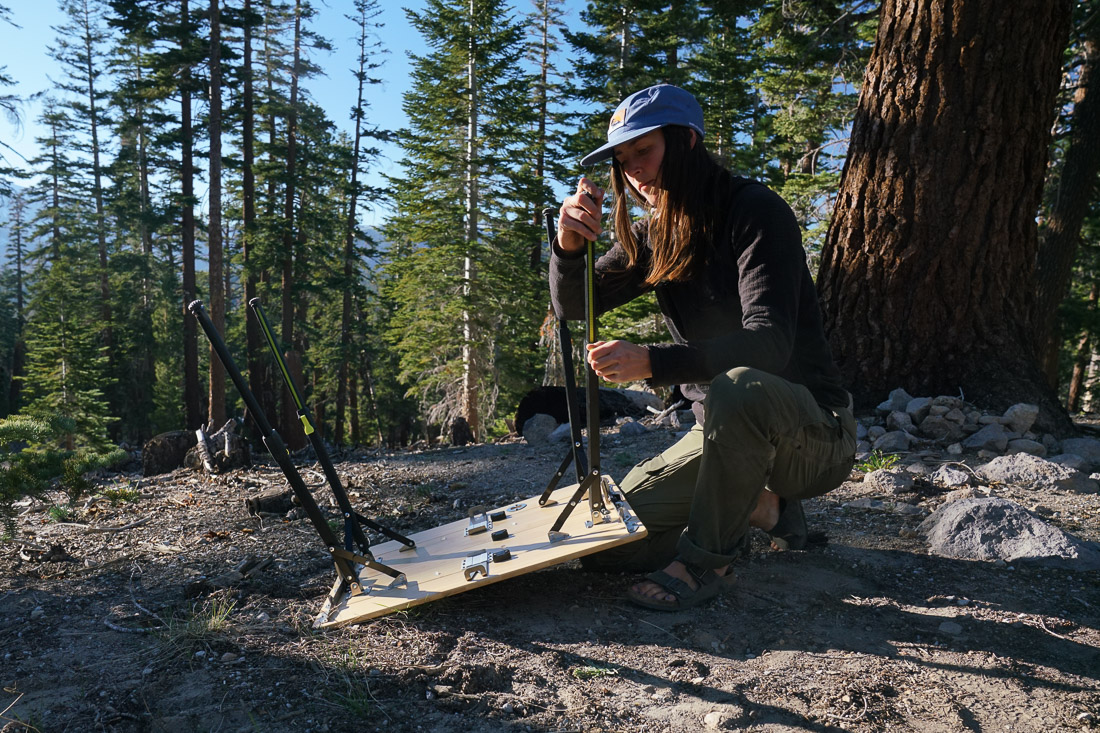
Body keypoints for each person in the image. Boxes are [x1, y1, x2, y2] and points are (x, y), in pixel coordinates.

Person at [550, 84, 857, 611]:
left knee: (738, 389)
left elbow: (769, 342)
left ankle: (706, 562)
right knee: (606, 548)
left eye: (643, 151)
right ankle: (765, 509)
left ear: (687, 141)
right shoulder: (656, 234)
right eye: (622, 161)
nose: (633, 171)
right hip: (719, 432)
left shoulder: (755, 211)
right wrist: (569, 245)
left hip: (813, 433)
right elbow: (576, 306)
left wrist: (654, 362)